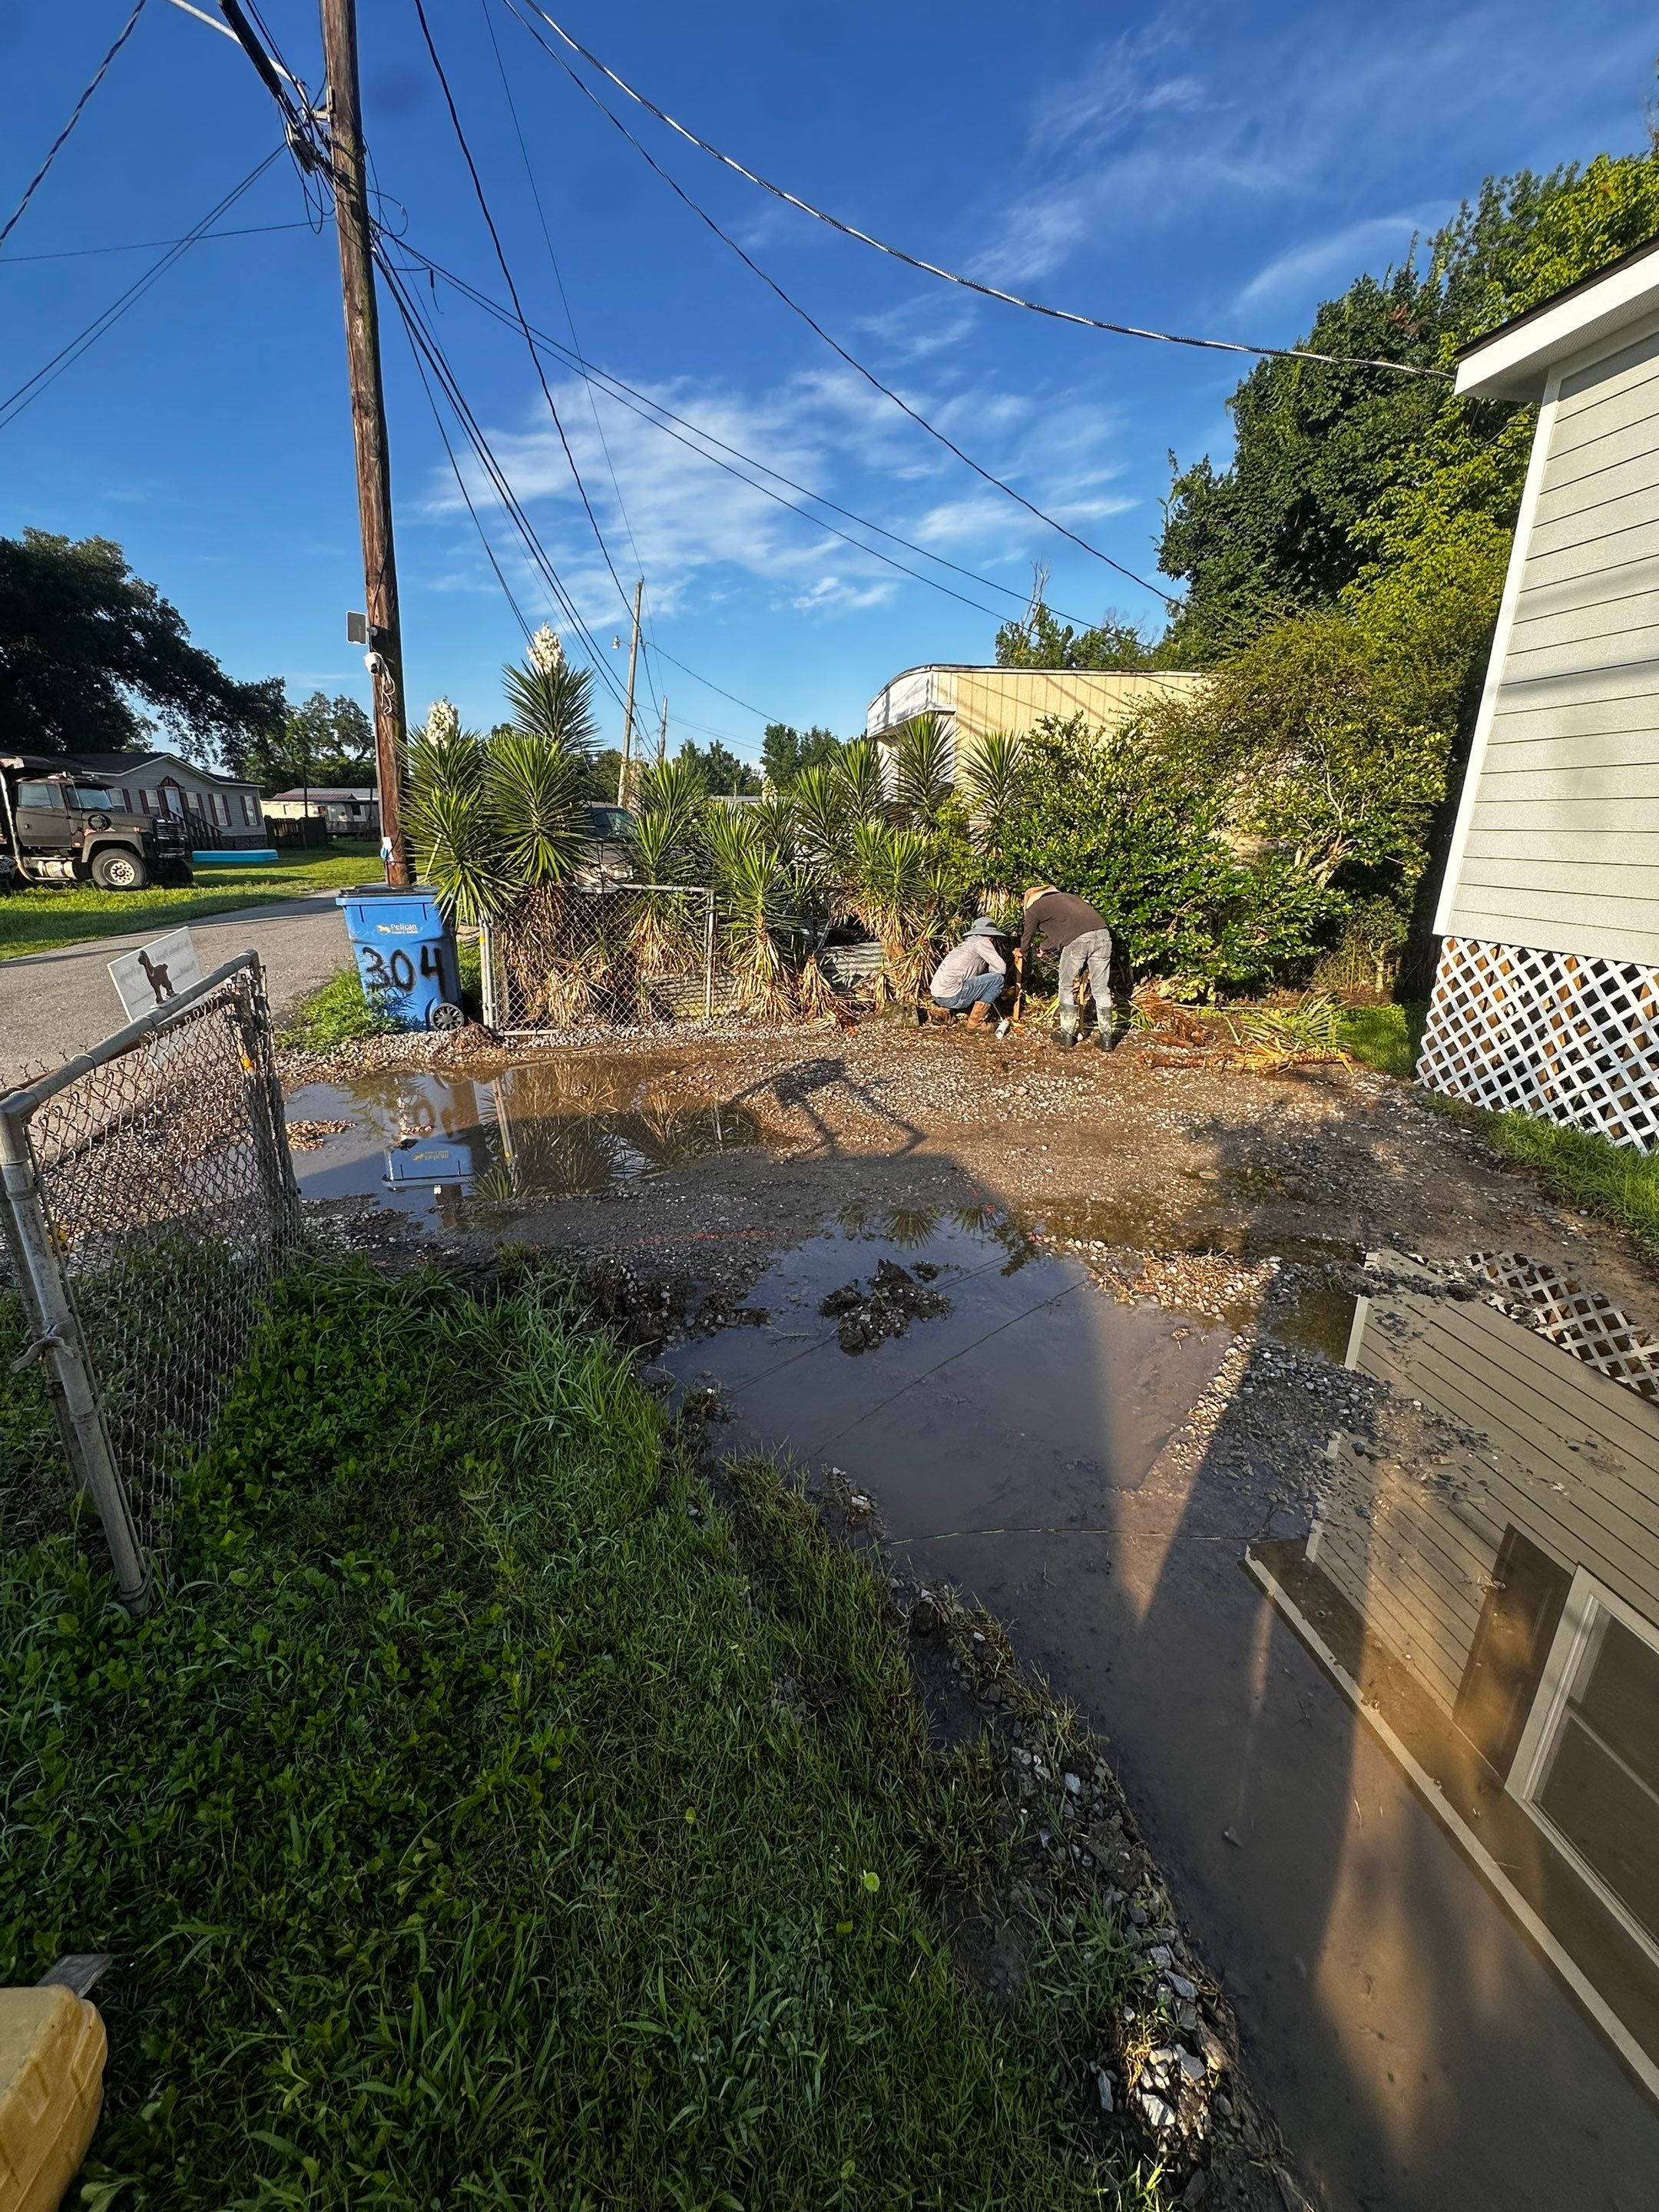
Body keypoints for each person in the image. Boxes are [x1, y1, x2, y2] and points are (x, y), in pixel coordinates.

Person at [1015, 885, 1114, 1049]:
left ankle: (1066, 1034)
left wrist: (1023, 951)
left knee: (1066, 985)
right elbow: (1064, 933)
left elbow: (1028, 934)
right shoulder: (1070, 898)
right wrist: (1044, 948)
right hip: (1103, 936)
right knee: (1101, 988)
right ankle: (1106, 1039)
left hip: (1078, 942)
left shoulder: (1035, 908)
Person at [928, 916, 1009, 1027]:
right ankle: (976, 1023)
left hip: (938, 996)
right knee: (998, 979)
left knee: (960, 980)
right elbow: (1001, 969)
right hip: (952, 996)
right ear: (992, 935)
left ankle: (942, 1012)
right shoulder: (983, 941)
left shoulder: (966, 944)